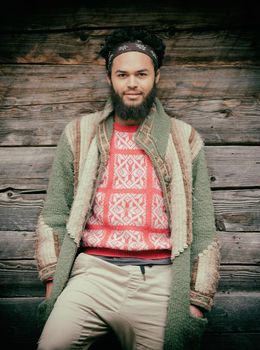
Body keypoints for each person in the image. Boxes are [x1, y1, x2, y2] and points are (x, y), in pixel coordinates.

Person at [35, 27, 220, 350]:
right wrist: (53, 282)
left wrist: (196, 301)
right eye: (122, 74)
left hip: (160, 281)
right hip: (92, 274)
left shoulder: (183, 138)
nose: (132, 83)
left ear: (156, 77)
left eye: (141, 74)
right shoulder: (80, 134)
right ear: (110, 78)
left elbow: (203, 227)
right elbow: (54, 214)